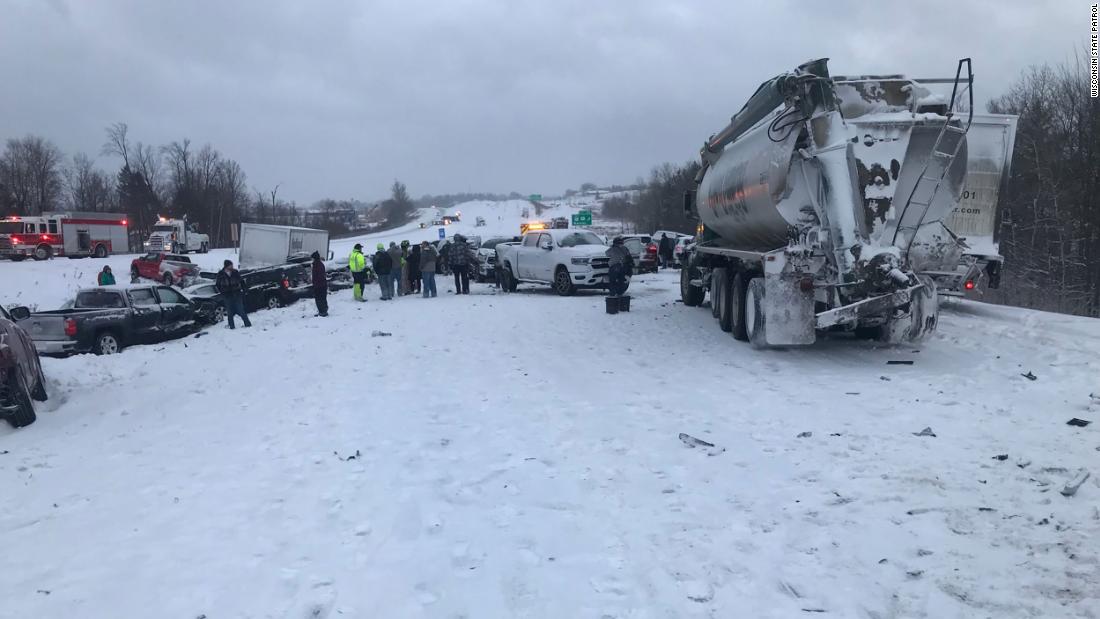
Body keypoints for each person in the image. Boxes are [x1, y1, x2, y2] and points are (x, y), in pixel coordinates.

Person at [215, 259, 251, 329]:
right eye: (230, 265)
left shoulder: (235, 272)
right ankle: (231, 326)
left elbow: (241, 281)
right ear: (226, 266)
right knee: (229, 311)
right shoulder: (221, 274)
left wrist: (244, 289)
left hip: (237, 293)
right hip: (227, 295)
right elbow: (218, 284)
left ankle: (247, 323)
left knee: (241, 310)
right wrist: (222, 292)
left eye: (232, 265)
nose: (232, 266)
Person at [311, 251, 328, 317]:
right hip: (321, 285)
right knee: (322, 298)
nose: (311, 259)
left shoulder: (317, 265)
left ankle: (322, 312)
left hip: (319, 285)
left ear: (314, 258)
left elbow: (319, 276)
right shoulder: (318, 264)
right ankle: (323, 311)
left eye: (312, 258)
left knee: (319, 299)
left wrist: (316, 284)